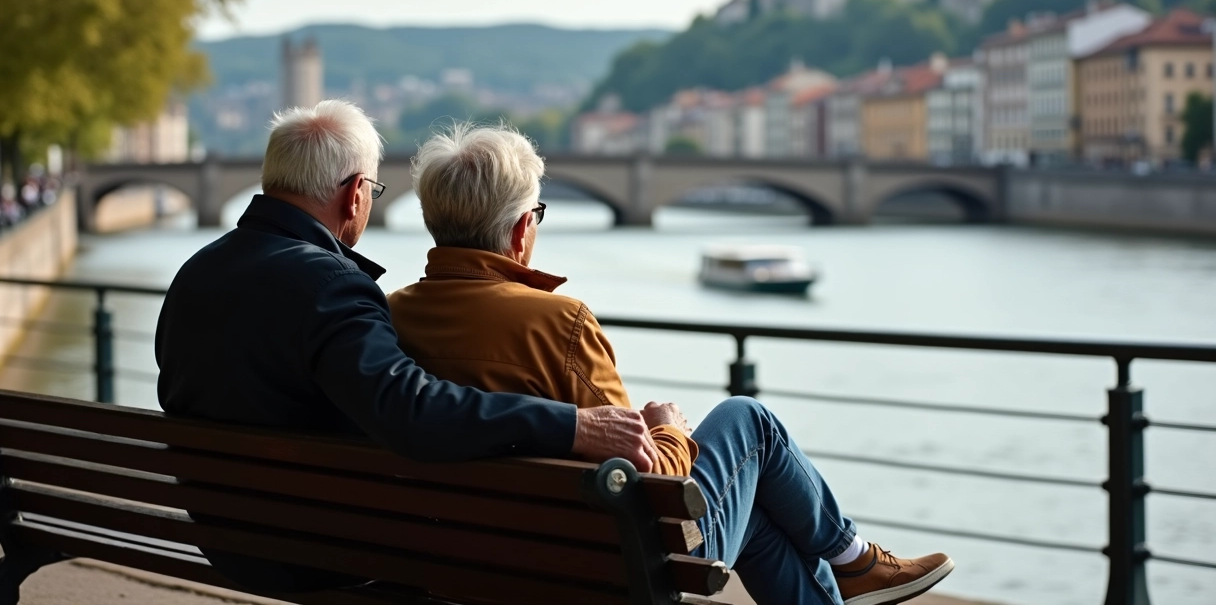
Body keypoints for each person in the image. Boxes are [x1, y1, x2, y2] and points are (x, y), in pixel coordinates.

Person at [388, 123, 955, 605]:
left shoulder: (388, 320)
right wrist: (667, 428)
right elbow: (650, 476)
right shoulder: (558, 325)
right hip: (608, 573)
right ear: (520, 229)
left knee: (752, 511)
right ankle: (852, 556)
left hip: (466, 559)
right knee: (747, 420)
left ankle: (853, 564)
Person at [155, 100, 658, 593]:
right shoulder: (329, 284)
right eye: (374, 189)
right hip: (310, 551)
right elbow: (412, 412)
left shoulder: (197, 272)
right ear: (355, 193)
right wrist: (572, 424)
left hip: (223, 536)